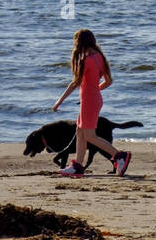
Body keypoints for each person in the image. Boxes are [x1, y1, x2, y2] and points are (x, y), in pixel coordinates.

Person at [52, 29, 132, 178]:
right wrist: (95, 90)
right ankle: (78, 166)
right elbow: (108, 81)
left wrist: (59, 101)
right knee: (80, 132)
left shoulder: (86, 60)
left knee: (90, 135)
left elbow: (75, 83)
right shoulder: (99, 57)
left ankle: (119, 156)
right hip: (93, 100)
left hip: (89, 101)